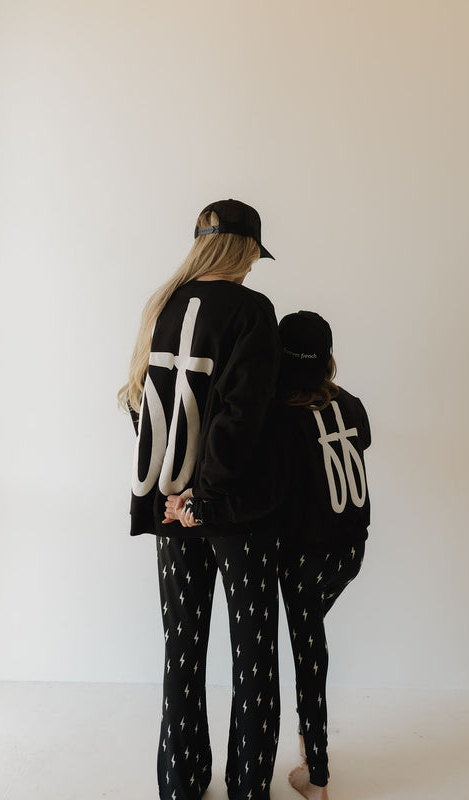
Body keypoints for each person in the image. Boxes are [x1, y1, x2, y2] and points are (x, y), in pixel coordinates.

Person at [118, 199, 282, 800]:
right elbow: (242, 417)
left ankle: (180, 783)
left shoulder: (160, 305)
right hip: (234, 512)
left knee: (183, 648)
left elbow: (139, 403)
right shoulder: (252, 310)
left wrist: (173, 491)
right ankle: (246, 789)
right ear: (241, 251)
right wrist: (204, 498)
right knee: (254, 653)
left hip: (167, 510)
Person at [277, 311, 371, 800]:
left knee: (308, 650)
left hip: (304, 557)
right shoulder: (351, 405)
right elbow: (361, 445)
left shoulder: (279, 415)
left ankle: (317, 776)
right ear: (329, 359)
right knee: (310, 638)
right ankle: (307, 750)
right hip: (351, 550)